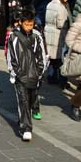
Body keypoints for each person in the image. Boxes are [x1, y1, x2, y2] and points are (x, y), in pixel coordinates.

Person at [5, 8, 48, 141]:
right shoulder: (13, 36)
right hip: (20, 74)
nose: (29, 27)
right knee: (22, 101)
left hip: (35, 74)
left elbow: (42, 55)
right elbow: (10, 56)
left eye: (31, 24)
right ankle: (26, 128)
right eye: (26, 24)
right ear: (20, 23)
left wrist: (40, 71)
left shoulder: (37, 36)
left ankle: (23, 120)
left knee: (30, 99)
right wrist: (14, 72)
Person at [44, 0, 71, 86]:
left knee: (51, 59)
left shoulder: (49, 4)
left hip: (48, 33)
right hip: (57, 35)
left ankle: (51, 77)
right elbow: (61, 24)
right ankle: (62, 81)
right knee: (60, 60)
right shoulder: (61, 7)